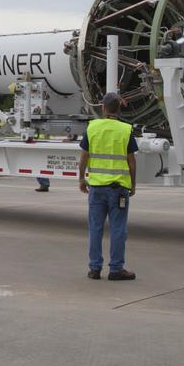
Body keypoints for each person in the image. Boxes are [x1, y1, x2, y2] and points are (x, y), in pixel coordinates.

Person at [78, 92, 138, 280]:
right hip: (118, 189)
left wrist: (81, 178)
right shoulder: (126, 130)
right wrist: (133, 184)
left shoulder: (92, 127)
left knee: (95, 228)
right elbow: (131, 161)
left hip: (96, 188)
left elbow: (84, 156)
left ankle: (95, 268)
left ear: (103, 108)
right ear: (119, 108)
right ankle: (116, 269)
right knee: (118, 229)